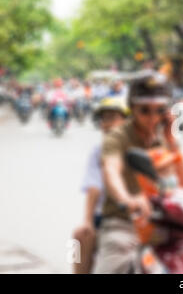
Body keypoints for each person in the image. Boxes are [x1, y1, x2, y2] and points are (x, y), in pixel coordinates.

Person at [93, 70, 183, 274]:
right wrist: (128, 199)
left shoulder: (164, 139)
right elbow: (111, 170)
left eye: (159, 110)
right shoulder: (117, 137)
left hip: (164, 223)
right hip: (124, 222)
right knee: (114, 263)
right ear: (132, 109)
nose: (153, 117)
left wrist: (172, 141)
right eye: (145, 110)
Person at [72, 97, 129, 274]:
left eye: (112, 118)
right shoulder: (98, 151)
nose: (107, 124)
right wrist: (87, 221)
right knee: (78, 239)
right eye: (104, 119)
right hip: (108, 217)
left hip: (139, 217)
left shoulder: (143, 146)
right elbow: (93, 187)